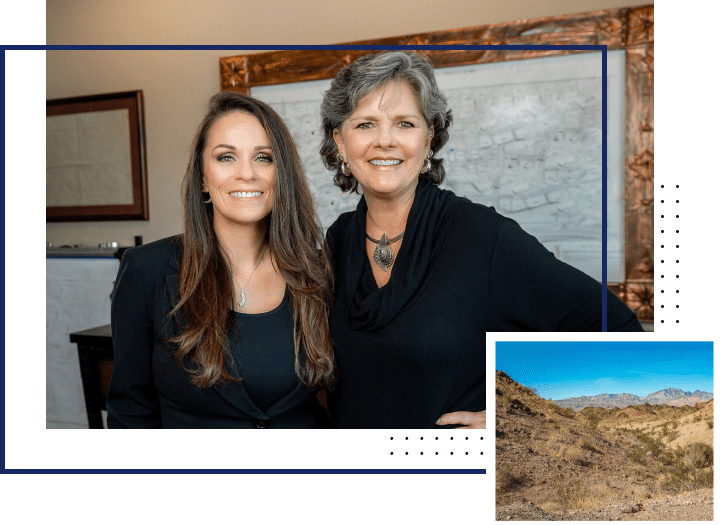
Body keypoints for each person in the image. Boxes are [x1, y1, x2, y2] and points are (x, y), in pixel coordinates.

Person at [320, 51, 643, 430]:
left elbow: (618, 330)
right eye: (366, 125)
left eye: (405, 123)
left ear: (429, 140)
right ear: (340, 142)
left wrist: (517, 423)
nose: (385, 141)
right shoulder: (337, 240)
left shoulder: (482, 236)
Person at [107, 92, 335, 428]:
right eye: (226, 157)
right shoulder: (146, 271)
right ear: (202, 177)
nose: (247, 174)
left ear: (282, 175)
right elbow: (130, 414)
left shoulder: (318, 271)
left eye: (264, 158)